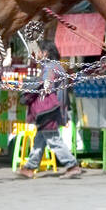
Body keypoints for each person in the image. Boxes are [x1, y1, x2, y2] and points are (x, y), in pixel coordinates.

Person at [17, 45, 81, 179]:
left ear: (45, 53)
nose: (37, 54)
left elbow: (47, 85)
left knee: (53, 139)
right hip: (54, 109)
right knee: (40, 138)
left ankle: (72, 165)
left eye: (39, 51)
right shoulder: (58, 67)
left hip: (48, 110)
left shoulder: (50, 68)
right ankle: (30, 167)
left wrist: (28, 87)